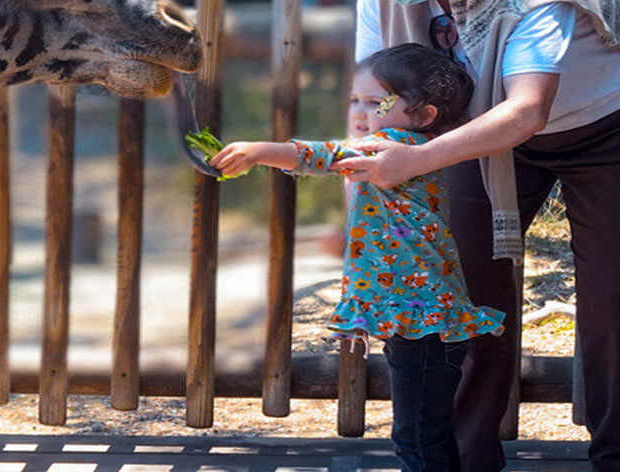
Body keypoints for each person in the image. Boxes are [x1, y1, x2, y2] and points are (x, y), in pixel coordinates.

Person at [303, 0, 620, 472]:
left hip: (616, 123)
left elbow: (527, 110)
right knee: (454, 283)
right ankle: (460, 460)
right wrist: (364, 224)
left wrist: (413, 163)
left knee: (614, 296)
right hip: (473, 129)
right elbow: (369, 106)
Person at [210, 43, 504, 472]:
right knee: (423, 432)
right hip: (422, 321)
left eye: (376, 101)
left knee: (418, 439)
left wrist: (258, 151)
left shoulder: (391, 147)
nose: (361, 113)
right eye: (355, 101)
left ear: (422, 116)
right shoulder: (420, 152)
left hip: (423, 325)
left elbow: (320, 155)